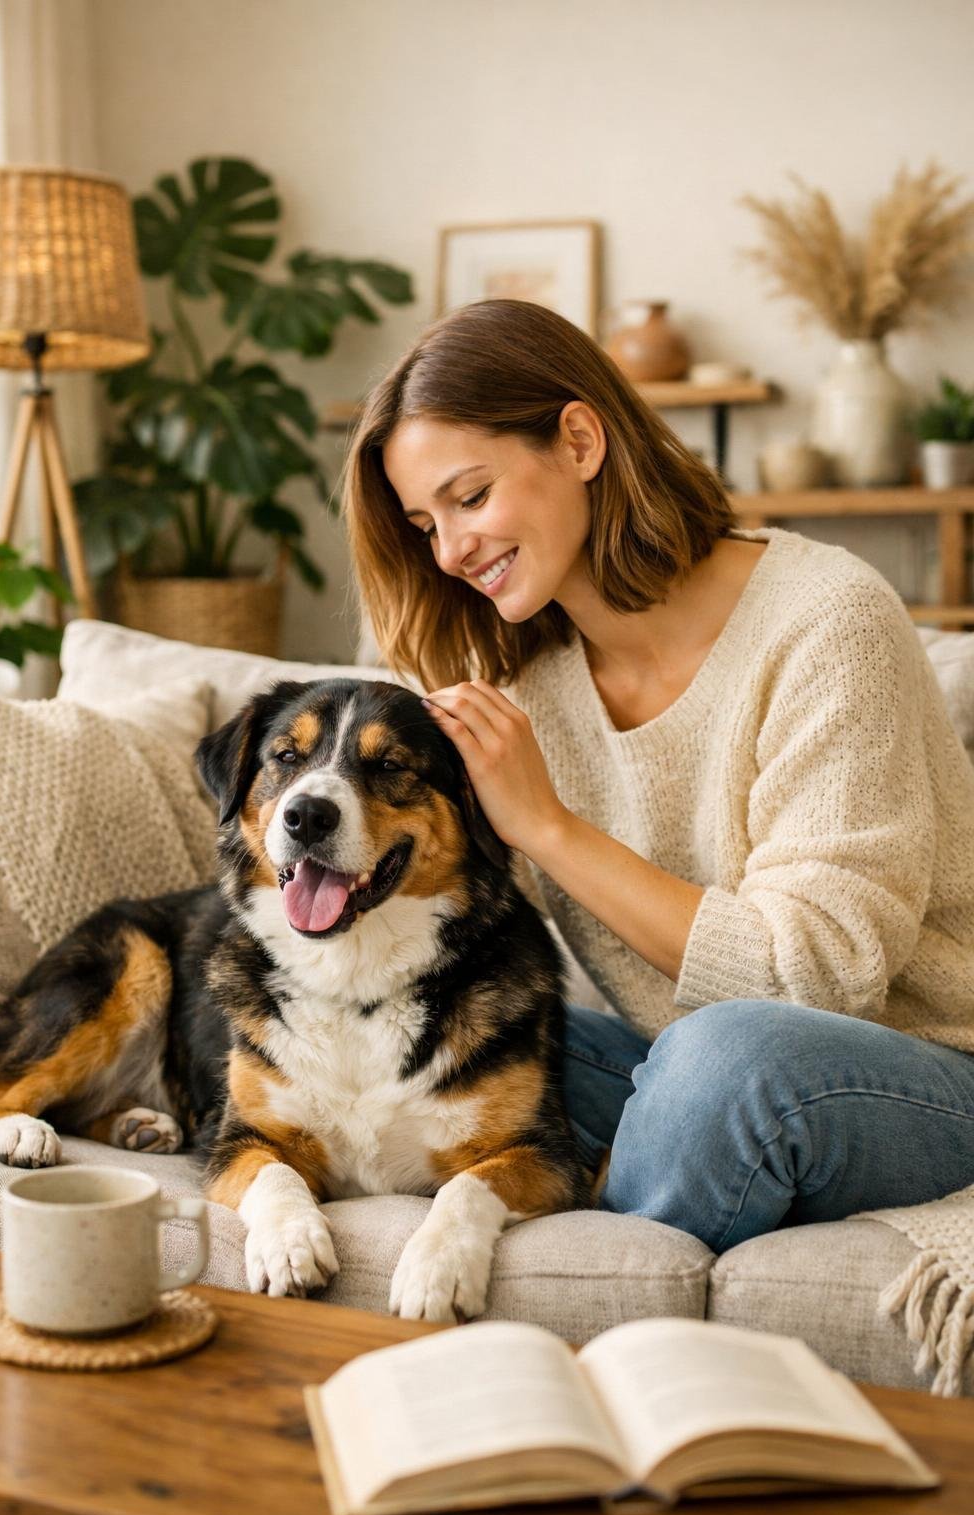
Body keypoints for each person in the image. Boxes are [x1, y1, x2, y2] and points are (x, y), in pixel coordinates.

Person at [343, 297, 974, 1254]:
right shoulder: (523, 675)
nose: (451, 551)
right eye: (426, 524)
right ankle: (632, 1183)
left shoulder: (827, 621)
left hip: (915, 1067)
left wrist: (548, 827)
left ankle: (607, 1298)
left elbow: (818, 979)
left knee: (721, 1064)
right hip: (663, 1060)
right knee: (423, 1034)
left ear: (580, 439)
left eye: (470, 498)